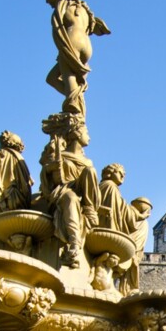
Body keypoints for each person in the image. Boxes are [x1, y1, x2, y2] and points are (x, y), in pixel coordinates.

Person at [39, 114, 100, 267]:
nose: (89, 138)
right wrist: (50, 168)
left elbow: (89, 182)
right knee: (71, 198)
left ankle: (90, 208)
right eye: (87, 133)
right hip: (61, 193)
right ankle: (74, 243)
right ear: (77, 133)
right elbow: (47, 180)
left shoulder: (87, 162)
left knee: (90, 171)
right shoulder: (60, 155)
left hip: (82, 196)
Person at [46, 0, 110, 117]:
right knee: (52, 78)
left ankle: (73, 102)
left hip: (73, 39)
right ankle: (76, 96)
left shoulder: (63, 5)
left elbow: (58, 26)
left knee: (65, 76)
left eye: (51, 3)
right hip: (87, 45)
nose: (53, 7)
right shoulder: (82, 8)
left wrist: (63, 46)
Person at [97, 163, 151, 292]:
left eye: (124, 174)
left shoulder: (110, 188)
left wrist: (138, 214)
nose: (122, 175)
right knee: (142, 225)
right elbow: (121, 210)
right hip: (107, 227)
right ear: (110, 172)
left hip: (108, 225)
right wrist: (140, 216)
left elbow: (121, 208)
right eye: (119, 172)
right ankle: (131, 265)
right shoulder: (110, 187)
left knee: (143, 225)